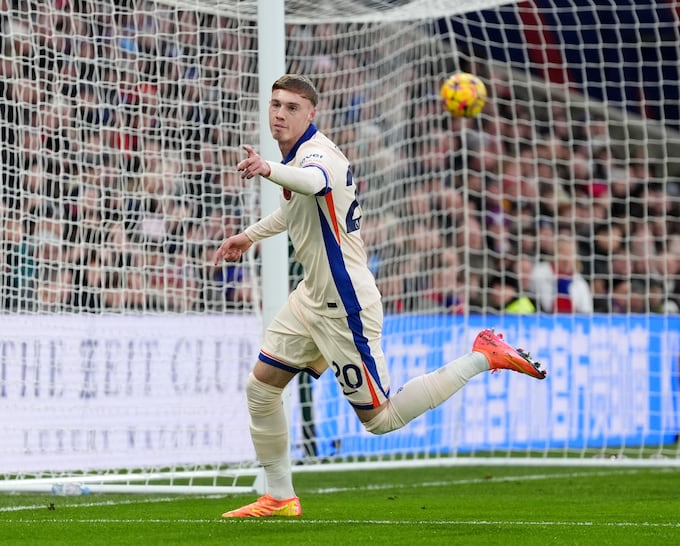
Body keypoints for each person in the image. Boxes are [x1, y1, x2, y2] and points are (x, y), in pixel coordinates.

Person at [214, 74, 547, 519]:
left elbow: (311, 183)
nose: (280, 113)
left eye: (292, 107)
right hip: (311, 297)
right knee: (261, 388)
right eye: (275, 104)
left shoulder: (317, 158)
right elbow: (296, 206)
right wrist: (248, 236)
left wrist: (269, 169)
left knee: (380, 421)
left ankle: (483, 356)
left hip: (344, 304)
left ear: (311, 114)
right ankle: (279, 496)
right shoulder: (298, 156)